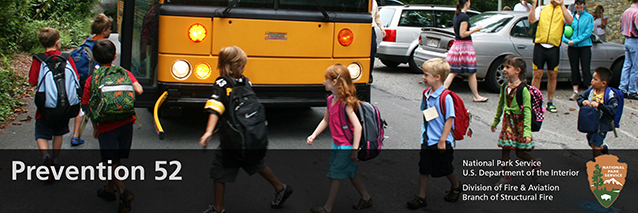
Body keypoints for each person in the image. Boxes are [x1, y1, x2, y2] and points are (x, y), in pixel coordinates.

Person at [199, 46, 293, 213]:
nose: (243, 69)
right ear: (234, 65)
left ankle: (218, 209)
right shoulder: (246, 81)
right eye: (242, 65)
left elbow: (215, 107)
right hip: (248, 134)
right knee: (254, 162)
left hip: (232, 138)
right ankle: (280, 188)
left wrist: (208, 131)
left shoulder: (221, 83)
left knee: (219, 172)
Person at [83, 40, 142, 213]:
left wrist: (95, 127)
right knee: (116, 160)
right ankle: (109, 190)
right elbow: (139, 90)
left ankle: (123, 191)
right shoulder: (124, 72)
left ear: (94, 58)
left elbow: (87, 107)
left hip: (106, 126)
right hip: (126, 122)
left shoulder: (92, 79)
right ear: (114, 56)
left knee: (109, 162)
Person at [306, 64, 372, 213]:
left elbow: (358, 127)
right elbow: (326, 120)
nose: (323, 82)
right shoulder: (331, 100)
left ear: (334, 82)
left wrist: (354, 150)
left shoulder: (346, 103)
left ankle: (327, 208)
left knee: (335, 175)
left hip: (346, 147)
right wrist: (314, 135)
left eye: (326, 79)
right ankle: (366, 197)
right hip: (337, 144)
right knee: (351, 172)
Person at [406, 58, 461, 210]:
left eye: (426, 75)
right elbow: (425, 112)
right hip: (428, 140)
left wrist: (442, 140)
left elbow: (450, 120)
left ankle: (456, 185)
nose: (423, 77)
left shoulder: (446, 97)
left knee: (445, 167)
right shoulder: (427, 93)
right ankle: (421, 196)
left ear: (437, 77)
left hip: (442, 141)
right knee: (424, 167)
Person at [28, 27, 80, 181]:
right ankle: (55, 160)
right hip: (64, 105)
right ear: (58, 42)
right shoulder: (66, 58)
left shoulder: (39, 60)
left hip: (45, 106)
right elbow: (75, 77)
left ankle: (45, 157)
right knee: (58, 133)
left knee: (41, 133)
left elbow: (32, 81)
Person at [491, 55, 541, 185]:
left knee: (520, 153)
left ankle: (534, 163)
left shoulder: (523, 89)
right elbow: (501, 104)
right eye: (504, 67)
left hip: (519, 123)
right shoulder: (504, 87)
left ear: (517, 70)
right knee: (505, 148)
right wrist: (496, 121)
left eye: (508, 67)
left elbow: (527, 110)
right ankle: (506, 176)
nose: (504, 70)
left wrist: (526, 132)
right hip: (508, 122)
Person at [70, 13, 113, 146]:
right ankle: (98, 131)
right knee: (97, 106)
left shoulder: (87, 41)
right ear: (104, 30)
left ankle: (75, 135)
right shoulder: (105, 44)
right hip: (97, 80)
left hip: (83, 80)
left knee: (83, 107)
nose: (110, 31)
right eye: (110, 29)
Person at [528, 0, 574, 113]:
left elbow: (570, 21)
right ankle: (534, 101)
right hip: (540, 45)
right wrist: (534, 4)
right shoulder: (542, 9)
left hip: (554, 47)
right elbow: (531, 20)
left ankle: (550, 101)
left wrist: (562, 5)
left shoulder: (564, 10)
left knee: (553, 75)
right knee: (537, 74)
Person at [444, 0, 488, 103]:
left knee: (454, 71)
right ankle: (476, 95)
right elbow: (463, 33)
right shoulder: (464, 16)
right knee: (471, 72)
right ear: (467, 2)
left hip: (457, 45)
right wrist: (475, 29)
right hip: (464, 47)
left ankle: (442, 91)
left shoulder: (457, 15)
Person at [577, 67, 617, 159]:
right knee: (591, 141)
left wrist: (600, 106)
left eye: (595, 79)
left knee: (595, 144)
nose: (592, 81)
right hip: (591, 122)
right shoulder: (591, 91)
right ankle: (602, 148)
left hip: (602, 125)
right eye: (592, 78)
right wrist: (583, 102)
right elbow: (580, 98)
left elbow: (612, 109)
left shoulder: (610, 95)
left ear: (603, 83)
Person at [563, 0, 594, 101]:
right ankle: (575, 91)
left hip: (584, 46)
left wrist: (575, 41)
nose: (579, 6)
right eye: (577, 4)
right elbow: (564, 30)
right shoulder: (571, 17)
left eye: (581, 4)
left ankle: (589, 91)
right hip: (572, 47)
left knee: (585, 69)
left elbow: (587, 33)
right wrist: (567, 41)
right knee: (574, 68)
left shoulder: (588, 17)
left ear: (584, 5)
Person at [619, 0, 638, 100]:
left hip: (627, 39)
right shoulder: (636, 13)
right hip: (635, 40)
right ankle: (632, 90)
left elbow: (621, 26)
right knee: (635, 66)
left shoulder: (626, 11)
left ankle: (622, 88)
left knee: (627, 65)